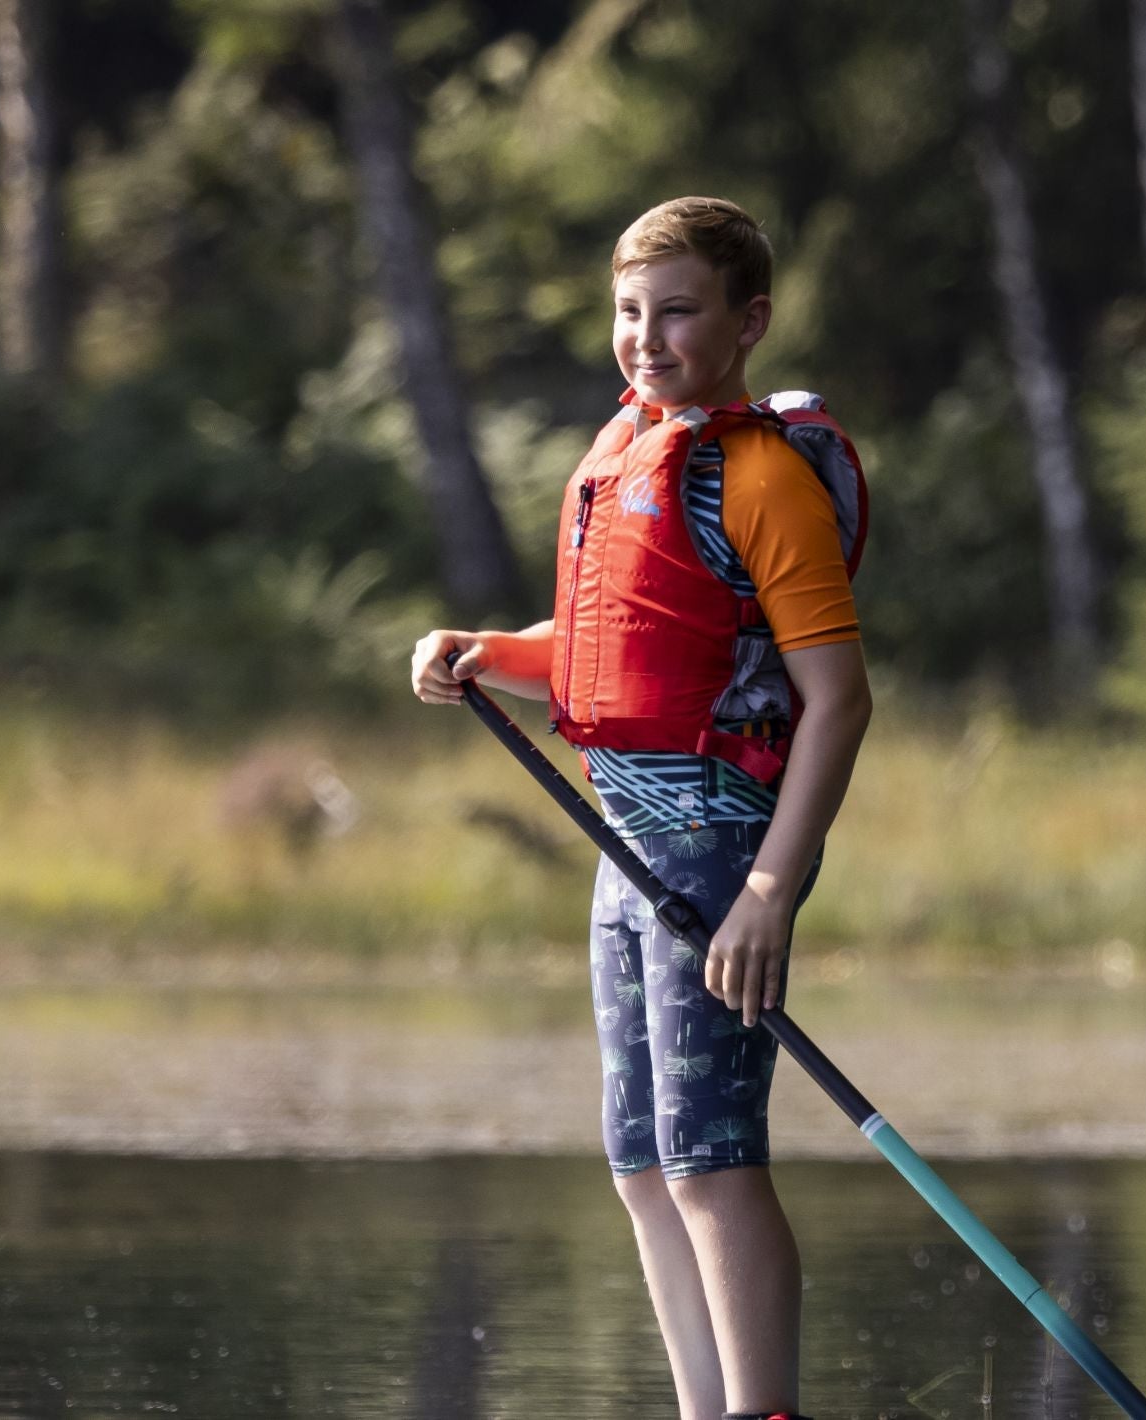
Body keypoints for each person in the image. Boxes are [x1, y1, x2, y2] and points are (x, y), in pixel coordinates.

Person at [410, 195, 868, 1420]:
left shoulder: (765, 479)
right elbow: (620, 648)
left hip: (724, 843)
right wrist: (487, 649)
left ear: (747, 320)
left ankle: (762, 1412)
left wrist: (769, 887)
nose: (646, 339)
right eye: (628, 311)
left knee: (713, 1164)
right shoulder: (627, 451)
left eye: (678, 312)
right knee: (644, 1167)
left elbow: (839, 700)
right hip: (629, 840)